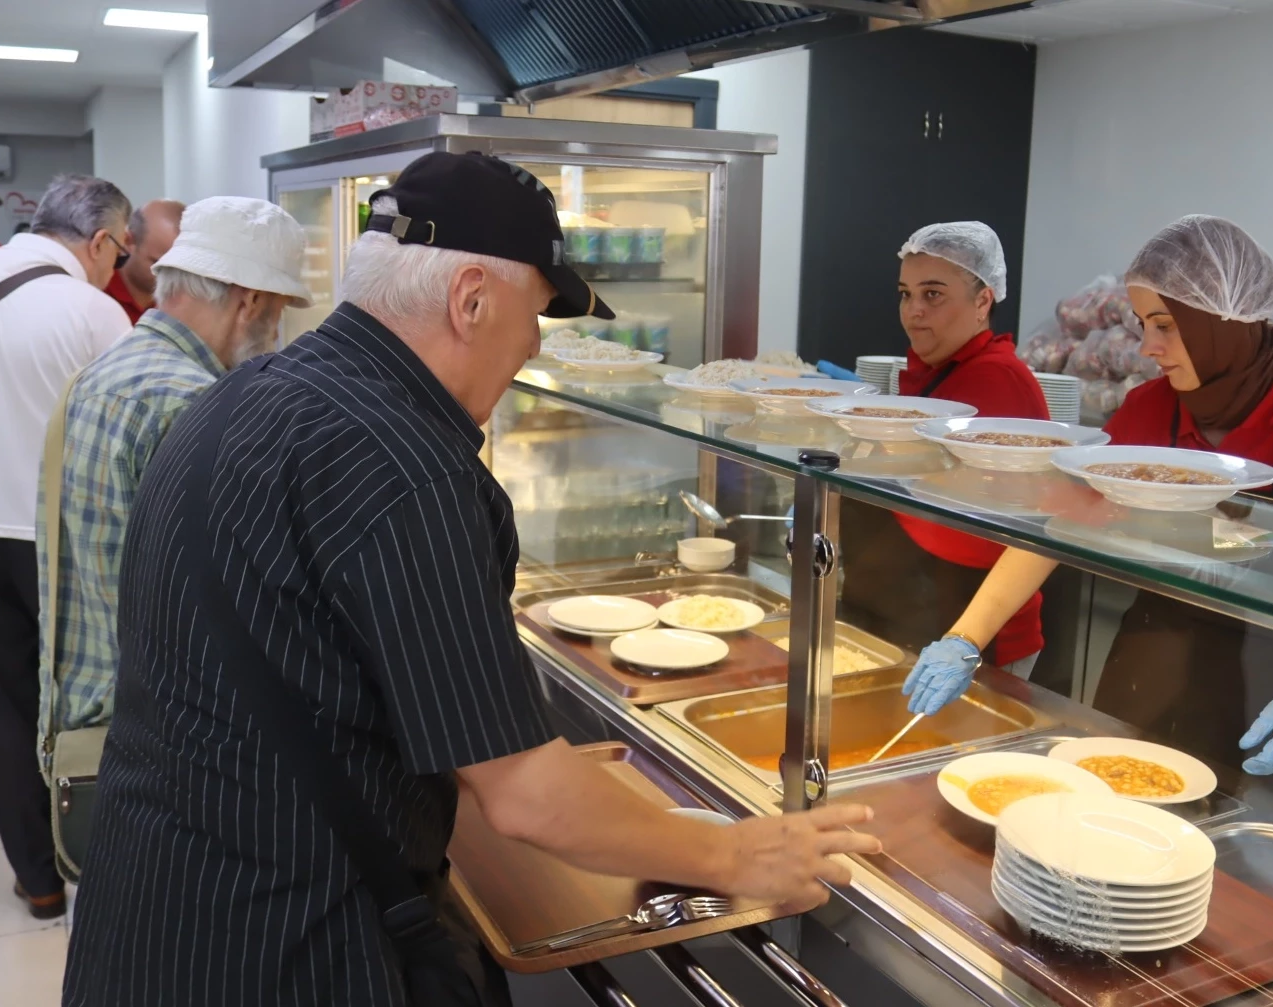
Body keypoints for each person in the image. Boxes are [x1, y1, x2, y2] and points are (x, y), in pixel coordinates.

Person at [64, 153, 880, 1006]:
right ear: (472, 300)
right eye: (536, 315)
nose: (533, 345)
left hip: (145, 916)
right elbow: (527, 797)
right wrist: (737, 853)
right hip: (288, 948)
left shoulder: (238, 398)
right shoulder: (411, 469)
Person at [902, 215, 1273, 816]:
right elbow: (1056, 526)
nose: (1147, 347)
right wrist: (965, 638)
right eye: (1143, 325)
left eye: (1165, 326)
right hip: (1149, 672)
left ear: (1220, 324)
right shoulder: (1151, 408)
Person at [0, 174, 133, 919]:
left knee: (6, 708)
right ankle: (101, 862)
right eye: (121, 252)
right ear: (100, 241)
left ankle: (38, 879)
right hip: (66, 545)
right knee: (92, 706)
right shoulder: (96, 313)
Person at [39, 195, 308, 769]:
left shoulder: (105, 372)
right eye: (279, 309)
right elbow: (223, 609)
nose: (277, 330)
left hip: (93, 709)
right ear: (251, 300)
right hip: (168, 738)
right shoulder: (195, 405)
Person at [837, 223, 1050, 677]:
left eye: (932, 294)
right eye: (905, 294)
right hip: (907, 612)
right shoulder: (934, 373)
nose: (913, 311)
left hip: (970, 629)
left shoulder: (994, 379)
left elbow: (978, 525)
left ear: (983, 301)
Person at [102, 199, 183, 323]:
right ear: (128, 241)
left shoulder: (184, 302)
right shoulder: (98, 291)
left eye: (182, 268)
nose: (173, 278)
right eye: (160, 266)